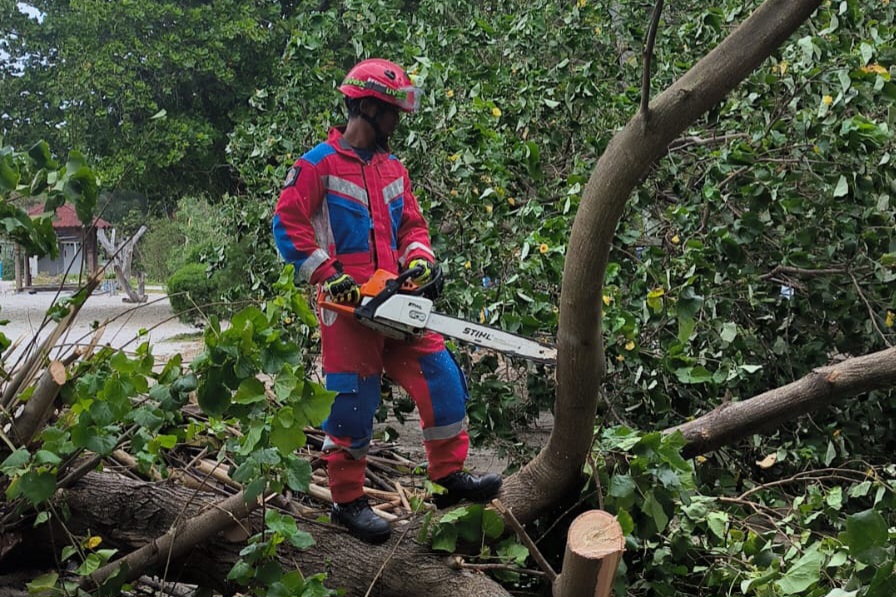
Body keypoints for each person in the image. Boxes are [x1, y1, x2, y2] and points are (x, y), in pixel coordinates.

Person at [272, 58, 502, 544]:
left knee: (441, 377)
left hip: (394, 299)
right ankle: (347, 502)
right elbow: (286, 224)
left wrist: (420, 259)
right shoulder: (317, 165)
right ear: (370, 108)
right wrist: (327, 274)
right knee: (351, 405)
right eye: (392, 112)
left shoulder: (393, 168)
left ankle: (447, 479)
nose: (397, 122)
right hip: (348, 307)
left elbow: (412, 228)